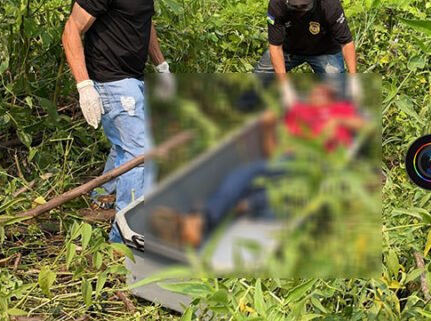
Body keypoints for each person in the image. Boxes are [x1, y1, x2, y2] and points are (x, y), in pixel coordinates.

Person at [61, 0, 174, 243]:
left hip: (134, 75)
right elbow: (72, 30)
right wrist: (85, 87)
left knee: (129, 144)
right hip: (110, 79)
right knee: (141, 154)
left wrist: (161, 65)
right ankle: (127, 238)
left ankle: (104, 198)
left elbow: (144, 22)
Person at [151, 83, 366, 247]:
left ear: (331, 97)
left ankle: (247, 205)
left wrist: (337, 121)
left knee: (286, 192)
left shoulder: (341, 110)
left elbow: (365, 126)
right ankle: (201, 220)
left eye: (321, 93)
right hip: (286, 162)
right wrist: (267, 128)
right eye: (313, 93)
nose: (315, 95)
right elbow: (273, 155)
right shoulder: (300, 113)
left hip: (318, 163)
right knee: (244, 174)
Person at [253, 0, 361, 105]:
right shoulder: (277, 4)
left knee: (338, 97)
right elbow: (275, 48)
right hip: (289, 49)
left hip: (324, 51)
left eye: (304, 3)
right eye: (295, 3)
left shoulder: (328, 2)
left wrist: (353, 79)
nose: (300, 7)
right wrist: (285, 87)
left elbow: (346, 42)